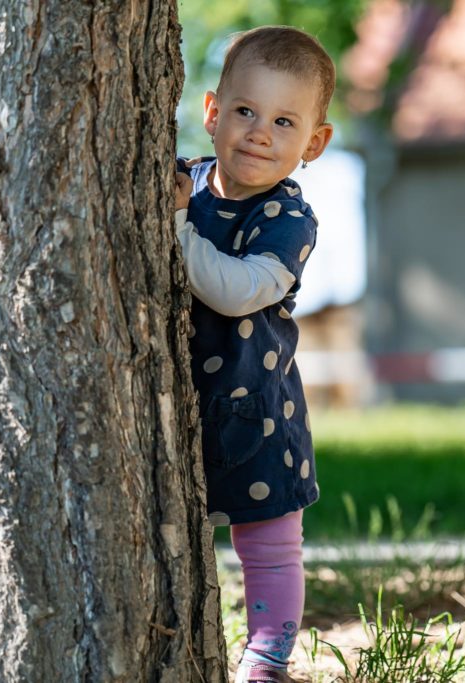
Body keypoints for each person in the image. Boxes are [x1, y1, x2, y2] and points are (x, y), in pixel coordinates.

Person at [173, 25, 335, 683]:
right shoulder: (185, 182)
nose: (259, 132)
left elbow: (237, 292)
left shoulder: (288, 219)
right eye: (245, 110)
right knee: (176, 538)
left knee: (268, 544)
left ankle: (267, 658)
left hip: (253, 410)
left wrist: (175, 228)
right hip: (173, 407)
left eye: (283, 120)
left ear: (314, 143)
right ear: (212, 113)